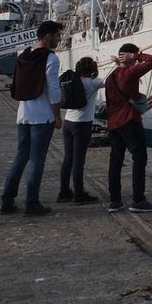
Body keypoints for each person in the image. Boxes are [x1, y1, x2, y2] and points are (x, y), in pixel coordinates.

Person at [0, 20, 64, 217]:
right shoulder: (51, 58)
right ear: (47, 36)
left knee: (20, 157)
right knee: (37, 160)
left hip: (23, 114)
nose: (59, 39)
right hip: (42, 116)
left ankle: (6, 201)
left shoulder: (24, 55)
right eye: (57, 35)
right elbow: (53, 90)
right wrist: (57, 116)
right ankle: (32, 202)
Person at [105, 43, 152, 213]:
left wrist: (123, 60)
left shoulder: (110, 77)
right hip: (129, 120)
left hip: (113, 123)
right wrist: (135, 57)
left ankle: (115, 201)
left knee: (115, 161)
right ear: (128, 56)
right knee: (139, 159)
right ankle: (138, 200)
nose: (136, 62)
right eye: (133, 58)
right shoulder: (130, 73)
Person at [58, 56, 104, 205]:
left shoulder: (73, 81)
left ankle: (64, 192)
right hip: (82, 125)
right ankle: (79, 194)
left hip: (68, 123)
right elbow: (112, 81)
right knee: (79, 160)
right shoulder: (92, 83)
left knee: (68, 158)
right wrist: (119, 64)